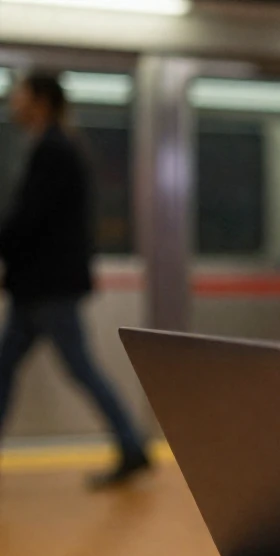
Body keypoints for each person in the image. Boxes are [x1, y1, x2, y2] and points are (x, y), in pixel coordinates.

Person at [0, 72, 150, 488]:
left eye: (21, 95)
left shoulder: (53, 150)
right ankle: (131, 443)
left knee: (77, 367)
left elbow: (31, 220)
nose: (14, 102)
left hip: (47, 288)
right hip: (40, 287)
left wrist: (7, 251)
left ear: (41, 101)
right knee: (13, 366)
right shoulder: (57, 147)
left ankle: (131, 443)